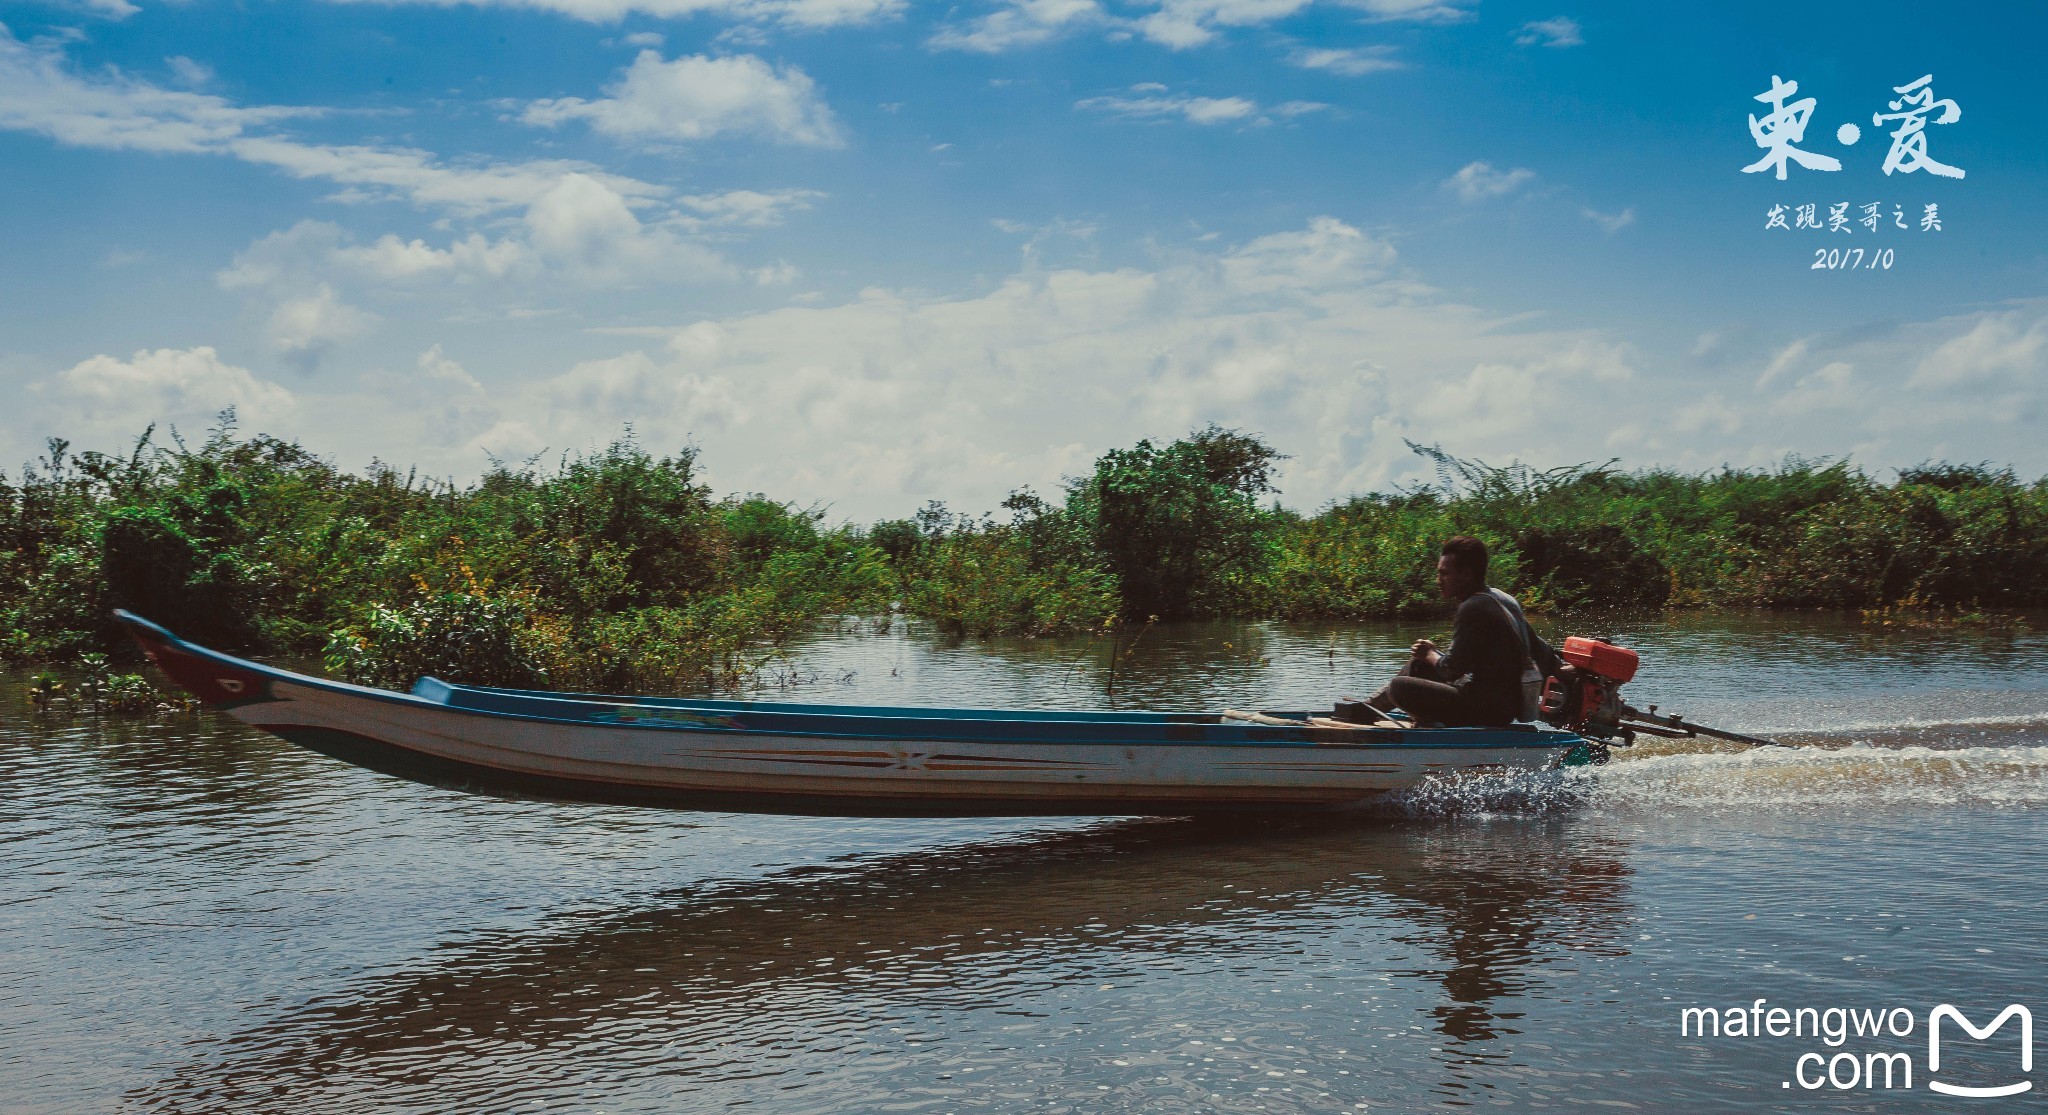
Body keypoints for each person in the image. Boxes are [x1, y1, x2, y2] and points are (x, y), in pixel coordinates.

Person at [1365, 536, 1562, 727]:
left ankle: (1423, 727)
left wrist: (1430, 653)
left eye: (1445, 573)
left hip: (1486, 711)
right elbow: (1537, 647)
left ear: (1467, 574)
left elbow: (1450, 671)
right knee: (1418, 666)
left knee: (1400, 687)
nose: (1438, 580)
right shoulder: (1503, 599)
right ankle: (1368, 709)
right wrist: (1561, 667)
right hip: (1503, 709)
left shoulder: (1473, 607)